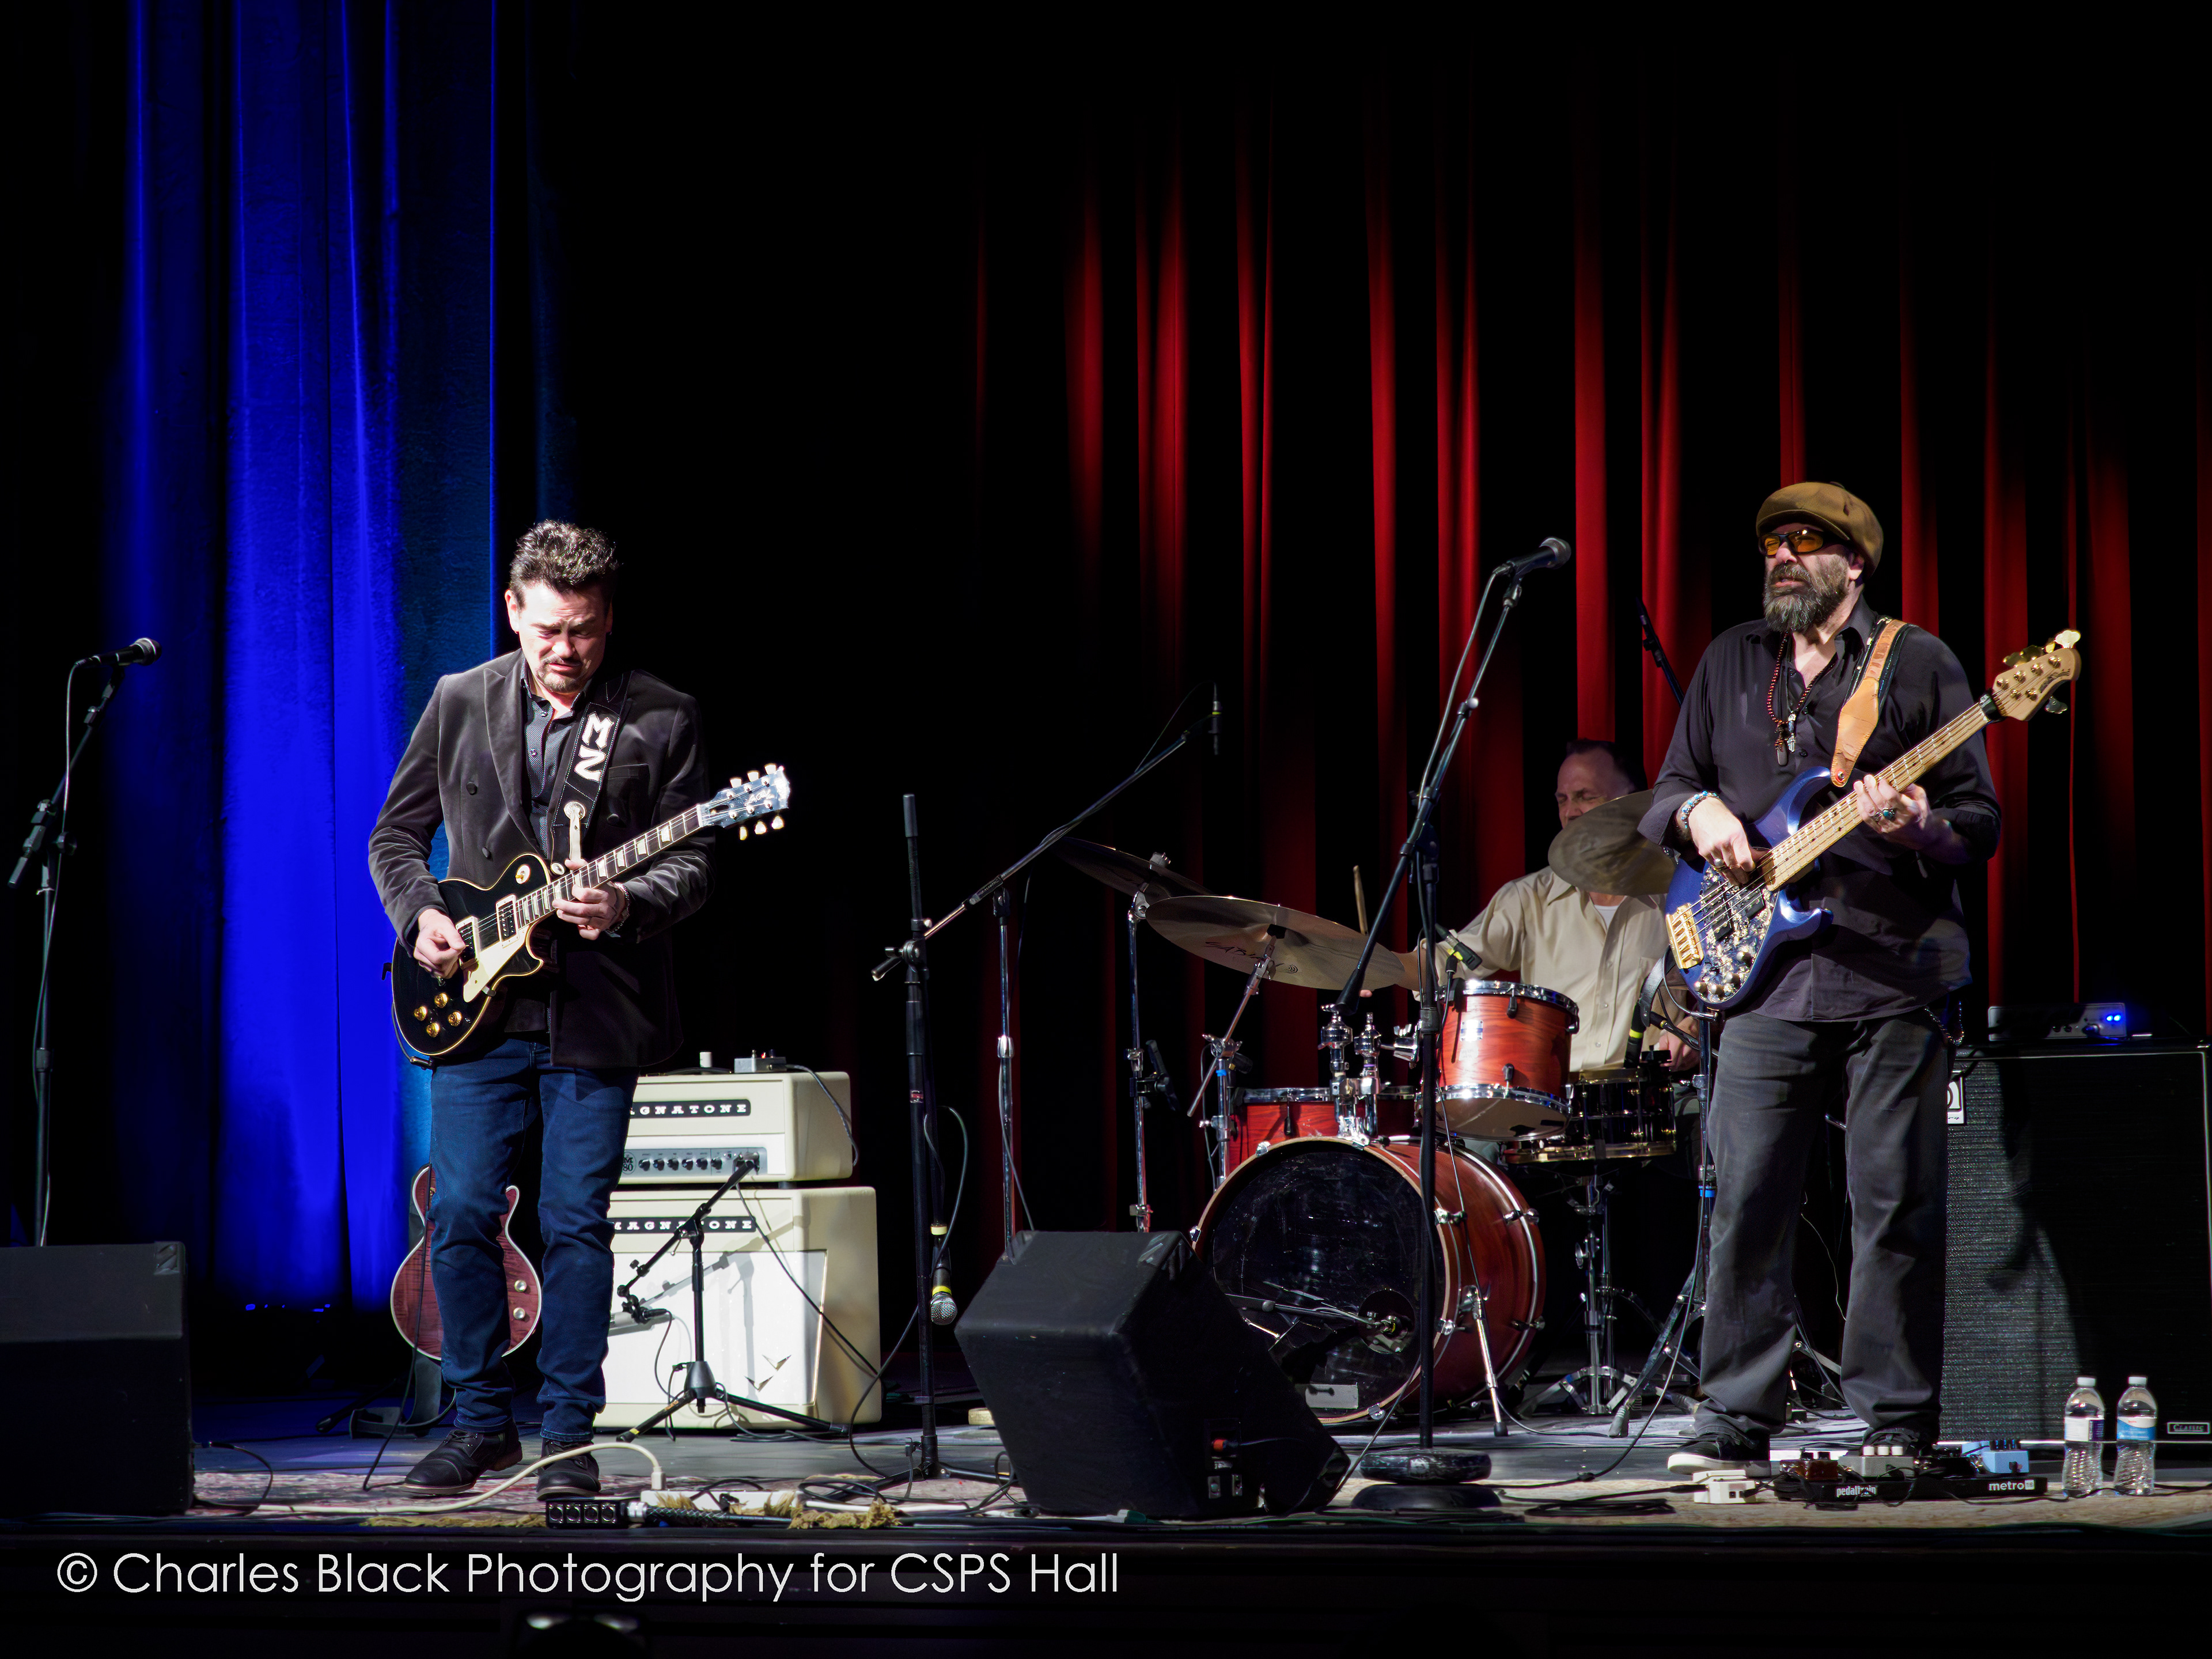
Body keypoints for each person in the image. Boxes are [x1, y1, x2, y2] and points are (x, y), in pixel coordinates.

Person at [1639, 482, 1998, 1475]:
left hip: (1894, 971)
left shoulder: (1918, 663)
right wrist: (1702, 815)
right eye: (1772, 544)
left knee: (1894, 1205)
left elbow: (1978, 824)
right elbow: (1669, 788)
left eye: (1805, 541)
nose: (1783, 557)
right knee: (1749, 1200)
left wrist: (1918, 826)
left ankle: (1896, 1420)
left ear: (1856, 562)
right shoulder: (1729, 660)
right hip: (1760, 976)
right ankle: (1735, 1415)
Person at [369, 522, 715, 1497]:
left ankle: (568, 1434)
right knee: (461, 1214)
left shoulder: (660, 716)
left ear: (609, 620)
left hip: (597, 1011)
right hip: (471, 1006)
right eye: (551, 628)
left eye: (587, 631)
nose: (568, 649)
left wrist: (627, 901)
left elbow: (694, 861)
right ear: (514, 610)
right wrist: (422, 915)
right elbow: (396, 836)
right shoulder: (459, 699)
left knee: (575, 1222)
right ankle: (481, 1424)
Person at [1441, 739, 1696, 1074]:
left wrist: (1696, 1028)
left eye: (1586, 796)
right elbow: (1449, 961)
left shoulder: (1683, 894)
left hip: (1650, 1094)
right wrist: (1383, 965)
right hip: (1557, 1097)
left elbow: (1725, 987)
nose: (1570, 811)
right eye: (1562, 799)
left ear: (1632, 801)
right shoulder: (1529, 898)